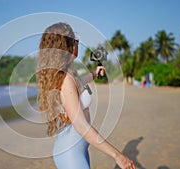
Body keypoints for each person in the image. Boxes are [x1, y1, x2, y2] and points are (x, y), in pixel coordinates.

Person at [36, 22, 135, 169]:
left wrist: (94, 74)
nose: (78, 43)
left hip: (77, 148)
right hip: (71, 152)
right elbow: (81, 126)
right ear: (66, 45)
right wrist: (118, 156)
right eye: (75, 40)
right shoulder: (66, 80)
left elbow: (79, 83)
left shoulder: (69, 75)